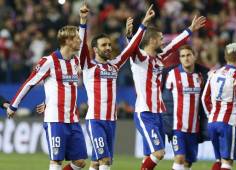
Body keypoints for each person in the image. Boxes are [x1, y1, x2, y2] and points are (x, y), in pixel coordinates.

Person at [6, 4, 90, 170]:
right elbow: (30, 82)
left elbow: (83, 37)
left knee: (80, 162)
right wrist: (14, 105)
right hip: (55, 120)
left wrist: (83, 20)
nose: (80, 41)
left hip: (72, 119)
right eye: (76, 39)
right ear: (67, 41)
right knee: (56, 162)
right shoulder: (49, 61)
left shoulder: (75, 60)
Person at [78, 4, 155, 170]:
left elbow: (131, 48)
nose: (108, 47)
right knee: (105, 162)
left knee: (97, 162)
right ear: (95, 49)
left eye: (109, 45)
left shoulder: (114, 65)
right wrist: (83, 22)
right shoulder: (88, 65)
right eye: (104, 45)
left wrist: (143, 24)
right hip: (96, 120)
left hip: (111, 121)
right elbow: (82, 46)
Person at [126, 12, 206, 169]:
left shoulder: (159, 58)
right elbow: (132, 47)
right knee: (159, 153)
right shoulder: (139, 58)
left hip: (158, 114)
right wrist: (138, 28)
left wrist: (190, 29)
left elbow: (175, 45)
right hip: (145, 113)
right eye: (161, 38)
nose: (163, 41)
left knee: (149, 156)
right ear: (153, 40)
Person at [163, 45, 209, 170]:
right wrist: (167, 125)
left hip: (194, 129)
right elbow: (166, 101)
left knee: (188, 163)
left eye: (189, 55)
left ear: (194, 56)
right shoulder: (173, 75)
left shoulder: (201, 76)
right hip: (177, 128)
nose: (186, 58)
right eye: (183, 56)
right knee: (179, 158)